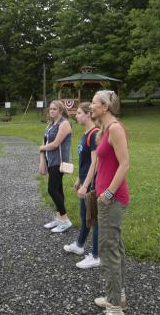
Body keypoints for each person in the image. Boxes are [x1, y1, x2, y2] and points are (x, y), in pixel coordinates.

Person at [91, 90, 130, 314]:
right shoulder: (105, 129)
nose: (91, 107)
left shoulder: (115, 128)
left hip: (112, 199)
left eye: (94, 103)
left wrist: (107, 193)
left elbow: (124, 164)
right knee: (114, 247)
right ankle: (118, 296)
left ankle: (114, 307)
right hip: (105, 197)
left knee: (108, 249)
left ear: (105, 107)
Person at [63, 101, 101, 269]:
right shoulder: (85, 134)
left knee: (94, 218)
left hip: (93, 184)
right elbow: (84, 162)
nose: (76, 116)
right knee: (84, 215)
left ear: (89, 114)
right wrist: (79, 179)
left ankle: (96, 254)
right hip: (85, 180)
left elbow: (95, 163)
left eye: (79, 113)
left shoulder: (94, 134)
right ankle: (79, 246)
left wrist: (86, 185)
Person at [38, 100, 73, 233]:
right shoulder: (51, 124)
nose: (51, 111)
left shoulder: (64, 124)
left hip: (59, 161)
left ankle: (65, 220)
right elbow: (45, 141)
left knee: (52, 190)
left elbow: (55, 144)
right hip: (50, 160)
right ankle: (59, 218)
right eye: (50, 109)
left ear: (60, 110)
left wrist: (41, 148)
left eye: (54, 109)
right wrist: (42, 158)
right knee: (58, 189)